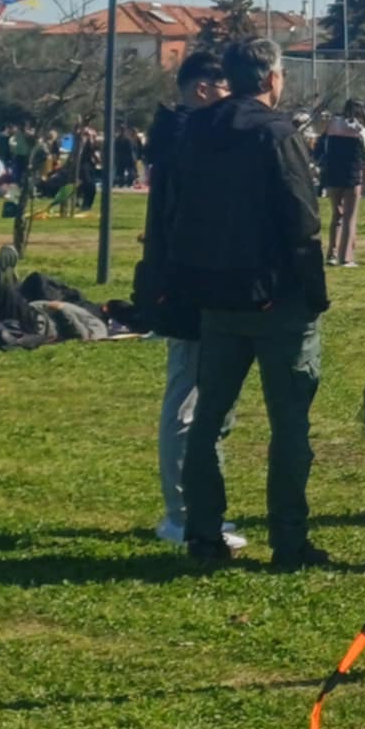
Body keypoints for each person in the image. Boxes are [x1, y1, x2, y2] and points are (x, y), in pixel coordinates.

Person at [167, 38, 329, 569]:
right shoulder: (277, 133)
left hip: (216, 295)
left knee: (210, 417)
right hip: (276, 296)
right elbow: (301, 218)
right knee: (289, 424)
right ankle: (289, 538)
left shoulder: (195, 131)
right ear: (272, 78)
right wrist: (311, 289)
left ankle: (203, 531)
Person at [135, 49, 244, 552]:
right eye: (225, 90)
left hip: (182, 281)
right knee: (186, 400)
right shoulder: (185, 140)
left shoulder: (180, 138)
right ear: (202, 89)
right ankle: (180, 512)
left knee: (196, 395)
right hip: (184, 287)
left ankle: (189, 506)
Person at [319, 99, 365, 267]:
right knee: (350, 217)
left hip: (333, 175)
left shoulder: (333, 123)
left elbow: (323, 145)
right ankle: (346, 257)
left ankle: (332, 254)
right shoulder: (360, 129)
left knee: (337, 214)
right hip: (352, 175)